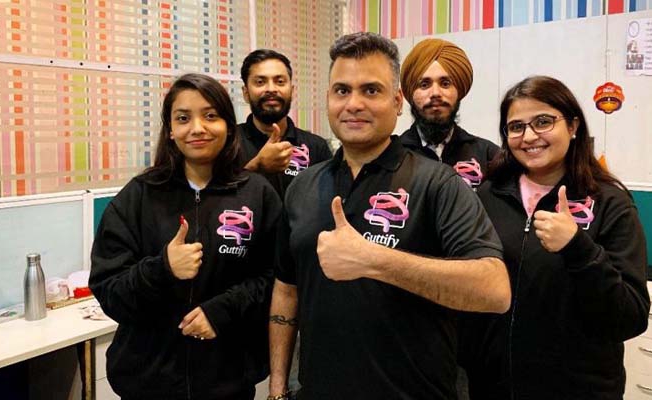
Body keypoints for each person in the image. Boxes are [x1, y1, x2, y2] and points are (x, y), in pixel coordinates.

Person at [267, 32, 511, 400]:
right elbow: (287, 290)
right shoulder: (302, 187)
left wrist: (374, 260)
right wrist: (277, 387)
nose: (354, 104)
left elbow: (494, 290)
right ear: (328, 98)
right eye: (342, 90)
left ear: (397, 101)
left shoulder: (437, 183)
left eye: (371, 90)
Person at [89, 73, 282, 400]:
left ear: (228, 125)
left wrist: (222, 311)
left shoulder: (256, 194)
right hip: (148, 382)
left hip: (228, 380)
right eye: (183, 118)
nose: (197, 128)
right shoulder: (139, 195)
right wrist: (162, 268)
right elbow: (108, 289)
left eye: (210, 116)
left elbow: (277, 278)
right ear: (170, 130)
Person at [459, 76, 650, 399]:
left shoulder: (609, 203)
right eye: (516, 127)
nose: (529, 136)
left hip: (578, 390)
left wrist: (578, 248)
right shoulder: (489, 195)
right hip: (492, 387)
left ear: (573, 126)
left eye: (543, 122)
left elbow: (630, 317)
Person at [400, 38, 499, 191]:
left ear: (459, 91)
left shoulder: (488, 156)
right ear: (410, 93)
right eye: (424, 84)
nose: (435, 93)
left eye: (445, 84)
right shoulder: (393, 156)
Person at [238, 49, 333, 198]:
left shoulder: (316, 147)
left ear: (292, 91)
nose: (271, 89)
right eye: (260, 82)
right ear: (246, 93)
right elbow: (214, 199)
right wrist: (256, 167)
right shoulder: (228, 142)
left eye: (280, 82)